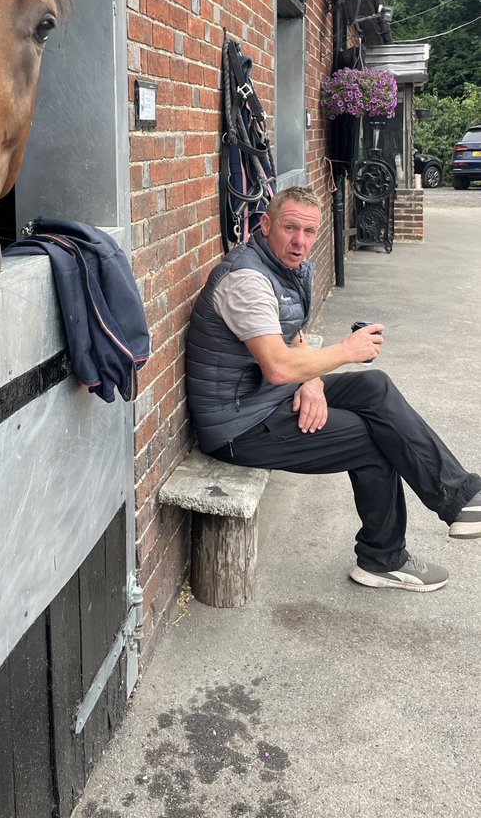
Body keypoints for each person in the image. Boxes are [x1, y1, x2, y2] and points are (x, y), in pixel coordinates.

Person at [185, 185, 481, 592]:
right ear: (266, 225)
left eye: (309, 232)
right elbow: (278, 366)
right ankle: (383, 559)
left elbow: (292, 336)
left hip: (267, 399)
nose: (300, 241)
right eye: (290, 228)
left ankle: (461, 497)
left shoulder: (283, 268)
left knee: (374, 387)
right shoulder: (247, 281)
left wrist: (311, 380)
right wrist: (345, 352)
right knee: (374, 438)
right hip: (239, 427)